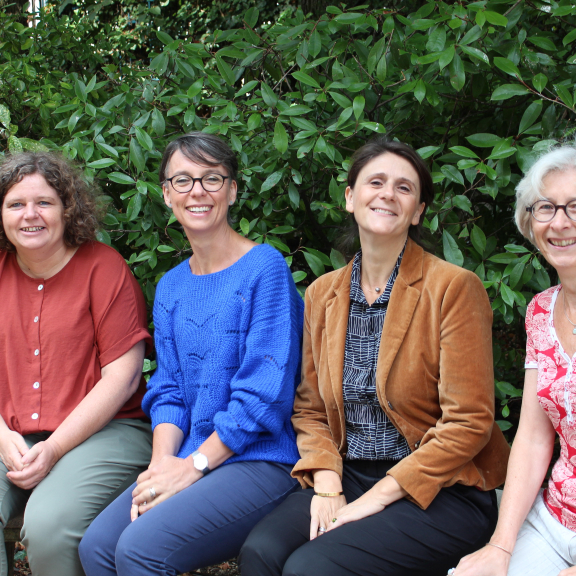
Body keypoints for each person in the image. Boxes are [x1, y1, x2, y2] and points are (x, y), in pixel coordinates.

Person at [239, 137, 511, 576]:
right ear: (350, 197)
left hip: (441, 488)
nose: (388, 193)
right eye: (376, 182)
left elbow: (470, 421)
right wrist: (327, 482)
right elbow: (308, 409)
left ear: (418, 210)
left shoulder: (453, 288)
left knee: (312, 569)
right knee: (262, 553)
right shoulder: (322, 293)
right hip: (349, 471)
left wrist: (377, 497)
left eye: (404, 188)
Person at [79, 132, 304, 576]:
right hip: (188, 455)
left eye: (211, 178)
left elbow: (263, 398)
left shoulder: (265, 270)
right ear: (166, 194)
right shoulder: (171, 286)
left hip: (260, 460)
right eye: (182, 180)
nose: (197, 191)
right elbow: (168, 390)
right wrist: (163, 463)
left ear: (233, 189)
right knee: (98, 548)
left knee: (140, 550)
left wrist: (193, 466)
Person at [0, 152, 153, 576]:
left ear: (67, 209)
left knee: (50, 525)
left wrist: (52, 449)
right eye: (15, 204)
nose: (30, 215)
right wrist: (2, 436)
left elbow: (122, 380)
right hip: (11, 432)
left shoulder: (104, 268)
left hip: (105, 432)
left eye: (44, 203)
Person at [454, 146, 576, 576]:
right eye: (546, 208)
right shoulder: (541, 311)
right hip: (556, 520)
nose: (560, 222)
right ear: (530, 223)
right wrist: (501, 547)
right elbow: (533, 437)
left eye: (575, 206)